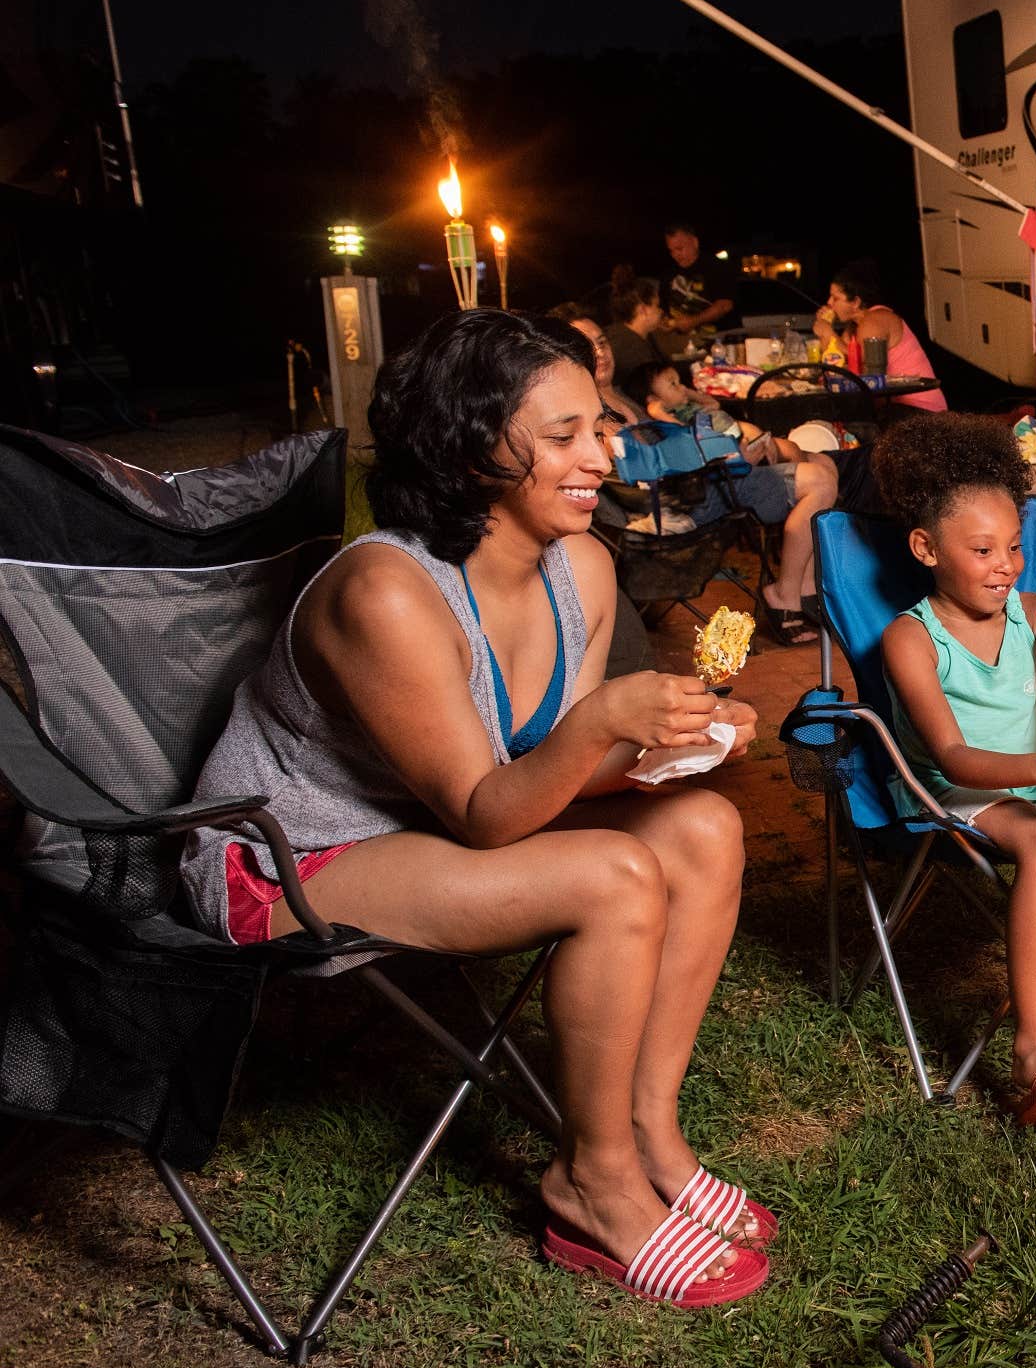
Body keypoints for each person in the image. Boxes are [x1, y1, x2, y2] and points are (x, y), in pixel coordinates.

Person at [177, 309, 773, 1309]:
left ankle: (649, 1132)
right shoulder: (385, 593)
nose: (603, 456)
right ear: (469, 452)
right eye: (564, 436)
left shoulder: (581, 567)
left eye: (599, 427)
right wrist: (604, 723)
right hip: (286, 858)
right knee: (615, 875)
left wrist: (669, 742)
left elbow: (547, 773)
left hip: (435, 827)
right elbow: (486, 812)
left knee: (706, 827)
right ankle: (592, 1184)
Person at [874, 414, 1036, 1129]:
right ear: (926, 549)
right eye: (983, 550)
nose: (1006, 565)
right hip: (956, 789)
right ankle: (1033, 1044)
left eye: (1016, 546)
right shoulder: (910, 638)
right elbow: (952, 755)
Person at [617, 358, 838, 646]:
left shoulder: (683, 408)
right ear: (653, 400)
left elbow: (710, 411)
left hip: (731, 472)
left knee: (824, 464)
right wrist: (739, 454)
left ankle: (805, 586)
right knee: (820, 481)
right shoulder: (664, 421)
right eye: (672, 384)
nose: (681, 388)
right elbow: (692, 451)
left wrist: (685, 392)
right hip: (716, 486)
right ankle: (785, 594)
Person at [813, 260, 948, 413]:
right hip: (892, 406)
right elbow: (836, 363)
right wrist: (825, 332)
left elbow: (860, 365)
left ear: (855, 302)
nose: (829, 303)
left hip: (919, 407)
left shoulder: (875, 320)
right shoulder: (853, 327)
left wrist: (828, 333)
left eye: (835, 298)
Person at [660, 224, 733, 347]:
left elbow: (725, 305)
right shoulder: (668, 274)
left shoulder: (717, 267)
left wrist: (693, 321)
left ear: (695, 242)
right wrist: (664, 322)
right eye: (671, 251)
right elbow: (662, 308)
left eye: (680, 248)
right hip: (682, 346)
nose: (676, 255)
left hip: (718, 344)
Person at [604, 278, 668, 377]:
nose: (660, 311)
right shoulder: (632, 350)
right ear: (643, 310)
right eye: (657, 305)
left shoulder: (617, 334)